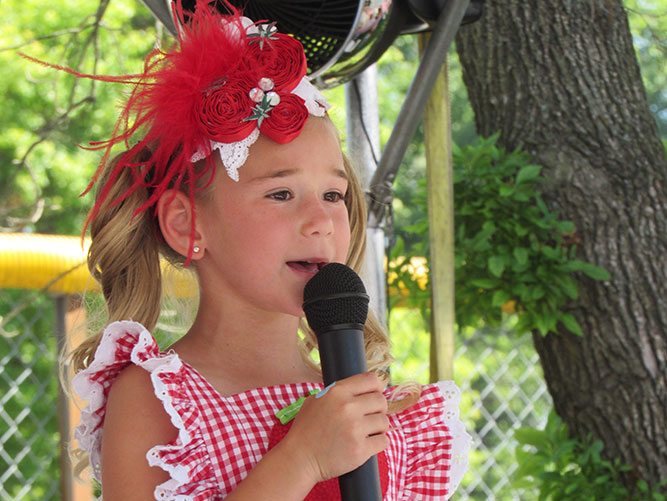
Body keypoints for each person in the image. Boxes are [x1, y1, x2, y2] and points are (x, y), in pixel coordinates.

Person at [62, 1, 471, 499]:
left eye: (333, 195)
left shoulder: (374, 406)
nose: (320, 221)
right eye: (281, 194)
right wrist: (301, 460)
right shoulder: (159, 400)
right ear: (186, 224)